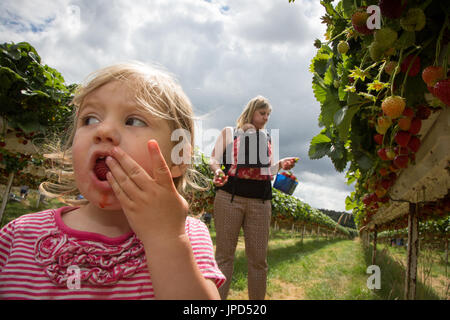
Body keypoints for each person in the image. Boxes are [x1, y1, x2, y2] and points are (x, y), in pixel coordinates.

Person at [0, 62, 225, 299]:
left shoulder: (187, 235)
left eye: (134, 121)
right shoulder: (19, 236)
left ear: (179, 158)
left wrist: (167, 239)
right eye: (89, 120)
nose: (103, 130)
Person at [209, 95, 297, 300]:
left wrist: (281, 164)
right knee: (224, 257)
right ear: (251, 111)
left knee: (258, 261)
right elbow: (214, 158)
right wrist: (217, 171)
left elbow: (269, 170)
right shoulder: (230, 132)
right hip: (229, 198)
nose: (266, 118)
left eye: (268, 114)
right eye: (262, 113)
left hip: (260, 202)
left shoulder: (267, 139)